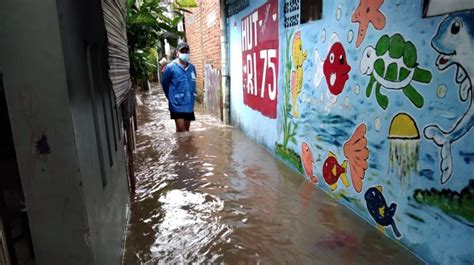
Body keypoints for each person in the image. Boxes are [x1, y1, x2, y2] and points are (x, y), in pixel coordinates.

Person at [161, 42, 197, 132]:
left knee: (187, 131)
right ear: (177, 53)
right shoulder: (170, 67)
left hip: (189, 103)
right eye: (182, 51)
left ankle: (185, 146)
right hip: (176, 104)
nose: (184, 53)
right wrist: (170, 97)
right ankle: (180, 145)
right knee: (181, 130)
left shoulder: (192, 68)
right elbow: (164, 83)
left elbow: (193, 83)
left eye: (186, 51)